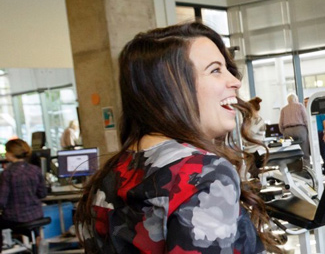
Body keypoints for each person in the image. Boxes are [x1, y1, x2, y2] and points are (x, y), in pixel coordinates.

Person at [74, 22, 279, 253]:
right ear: (170, 89)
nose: (235, 81)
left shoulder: (113, 171)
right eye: (215, 70)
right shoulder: (204, 174)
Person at [0, 139, 47, 240]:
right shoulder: (35, 170)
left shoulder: (7, 174)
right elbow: (43, 194)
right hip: (36, 214)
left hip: (14, 217)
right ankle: (37, 240)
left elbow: (1, 201)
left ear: (11, 153)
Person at [279, 93, 310, 160]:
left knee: (290, 152)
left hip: (287, 131)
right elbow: (306, 119)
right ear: (296, 99)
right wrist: (308, 130)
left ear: (288, 101)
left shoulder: (283, 109)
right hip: (300, 129)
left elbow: (280, 124)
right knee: (304, 151)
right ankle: (306, 167)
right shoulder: (300, 106)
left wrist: (284, 132)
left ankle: (293, 168)